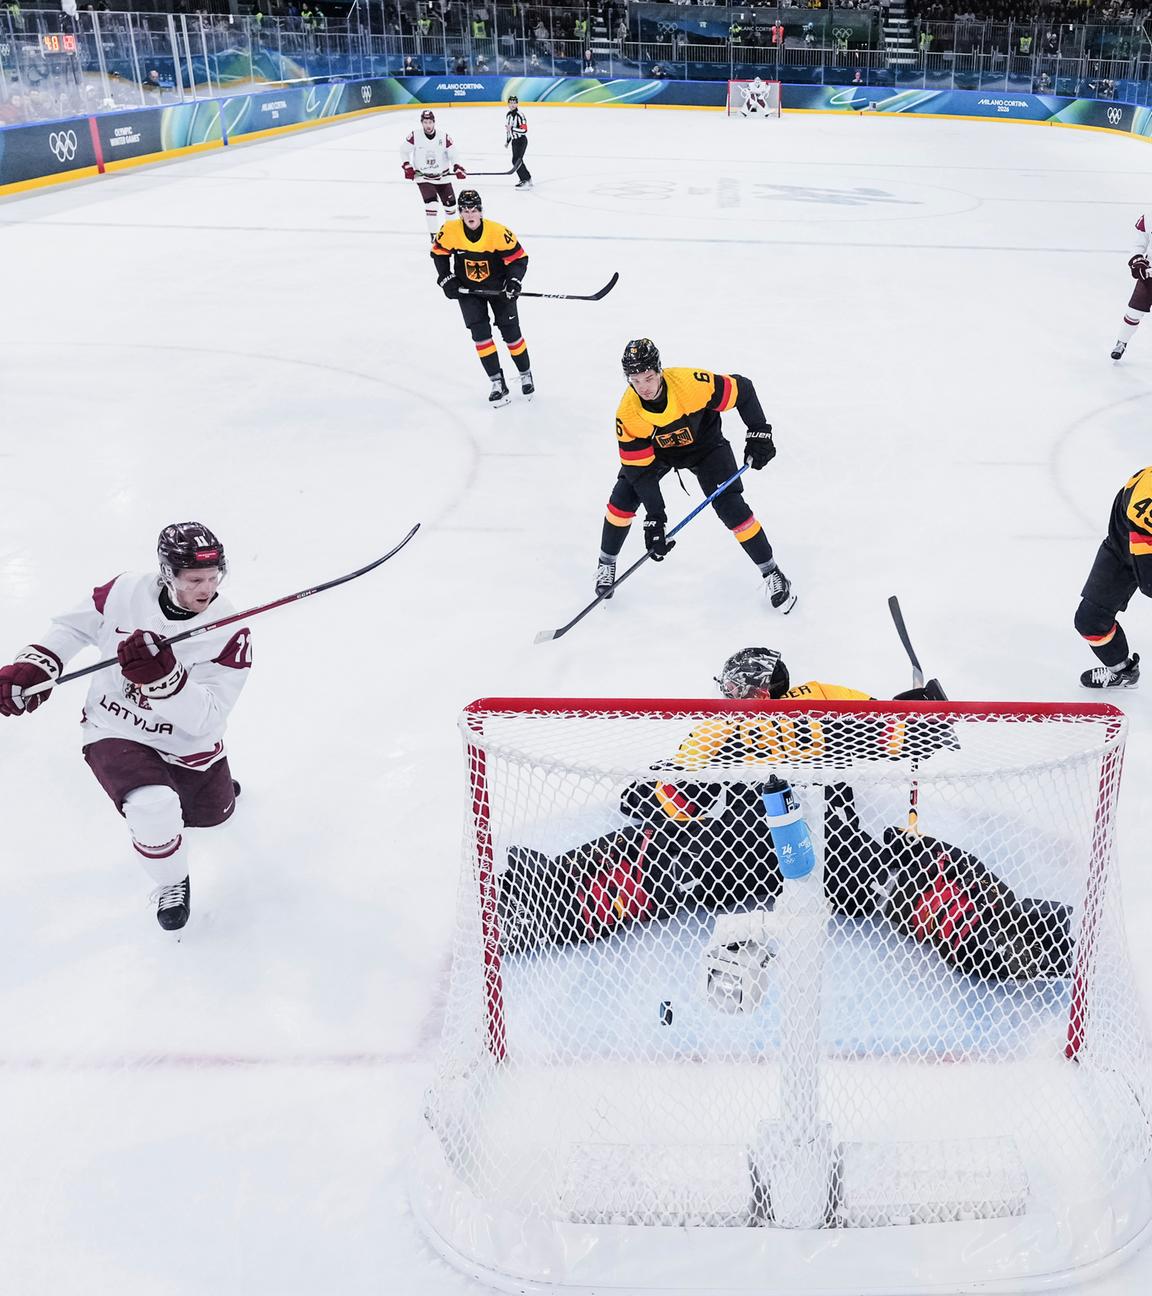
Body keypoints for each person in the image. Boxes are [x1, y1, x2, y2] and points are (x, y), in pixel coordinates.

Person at [497, 647, 1067, 980]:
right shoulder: (817, 699)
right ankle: (1013, 931)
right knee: (907, 865)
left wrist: (647, 795)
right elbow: (895, 729)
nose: (728, 697)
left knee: (650, 861)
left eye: (736, 687)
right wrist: (922, 715)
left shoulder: (742, 720)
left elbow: (674, 794)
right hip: (814, 854)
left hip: (755, 854)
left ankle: (539, 900)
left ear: (762, 687)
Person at [0, 524, 252, 932]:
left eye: (213, 578)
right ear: (168, 574)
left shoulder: (231, 632)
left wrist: (165, 680)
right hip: (114, 725)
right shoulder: (123, 591)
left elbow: (207, 718)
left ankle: (215, 789)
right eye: (194, 580)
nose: (206, 589)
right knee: (153, 807)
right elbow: (74, 627)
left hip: (186, 743)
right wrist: (39, 664)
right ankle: (172, 882)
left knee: (214, 815)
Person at [594, 338, 794, 610]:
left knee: (731, 508)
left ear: (659, 370)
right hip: (658, 454)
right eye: (635, 380)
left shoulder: (691, 385)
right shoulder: (628, 413)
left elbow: (743, 389)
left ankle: (772, 572)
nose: (643, 387)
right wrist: (655, 517)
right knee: (622, 500)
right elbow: (639, 472)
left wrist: (759, 431)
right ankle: (606, 563)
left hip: (706, 447)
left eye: (648, 377)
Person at [431, 189, 533, 406]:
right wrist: (446, 278)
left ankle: (525, 373)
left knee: (512, 335)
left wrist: (514, 281)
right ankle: (497, 381)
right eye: (466, 210)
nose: (470, 214)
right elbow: (439, 254)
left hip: (499, 289)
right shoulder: (450, 231)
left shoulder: (497, 232)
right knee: (481, 337)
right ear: (459, 212)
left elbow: (518, 259)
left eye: (474, 209)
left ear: (480, 211)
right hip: (469, 292)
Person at [1073, 466, 1152, 689]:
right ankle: (1122, 671)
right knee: (1090, 621)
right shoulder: (1146, 495)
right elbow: (1149, 582)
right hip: (1123, 550)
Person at [401, 108, 466, 239]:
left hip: (443, 177)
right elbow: (403, 150)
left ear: (434, 122)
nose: (428, 125)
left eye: (430, 122)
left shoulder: (443, 136)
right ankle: (434, 236)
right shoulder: (415, 136)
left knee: (451, 207)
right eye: (425, 122)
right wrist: (407, 165)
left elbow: (453, 153)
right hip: (423, 177)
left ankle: (449, 234)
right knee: (431, 205)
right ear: (422, 122)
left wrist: (457, 167)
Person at [1110, 211, 1152, 361]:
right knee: (1134, 312)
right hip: (1149, 276)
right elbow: (1139, 243)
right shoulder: (1149, 218)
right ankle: (1121, 342)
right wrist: (1137, 260)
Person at [504, 93, 532, 190]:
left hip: (521, 140)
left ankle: (525, 179)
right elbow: (508, 130)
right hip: (514, 142)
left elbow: (524, 130)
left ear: (517, 104)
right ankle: (527, 178)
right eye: (510, 103)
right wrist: (508, 141)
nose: (512, 105)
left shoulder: (520, 115)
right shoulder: (508, 115)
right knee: (515, 160)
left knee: (517, 160)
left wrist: (512, 129)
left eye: (514, 103)